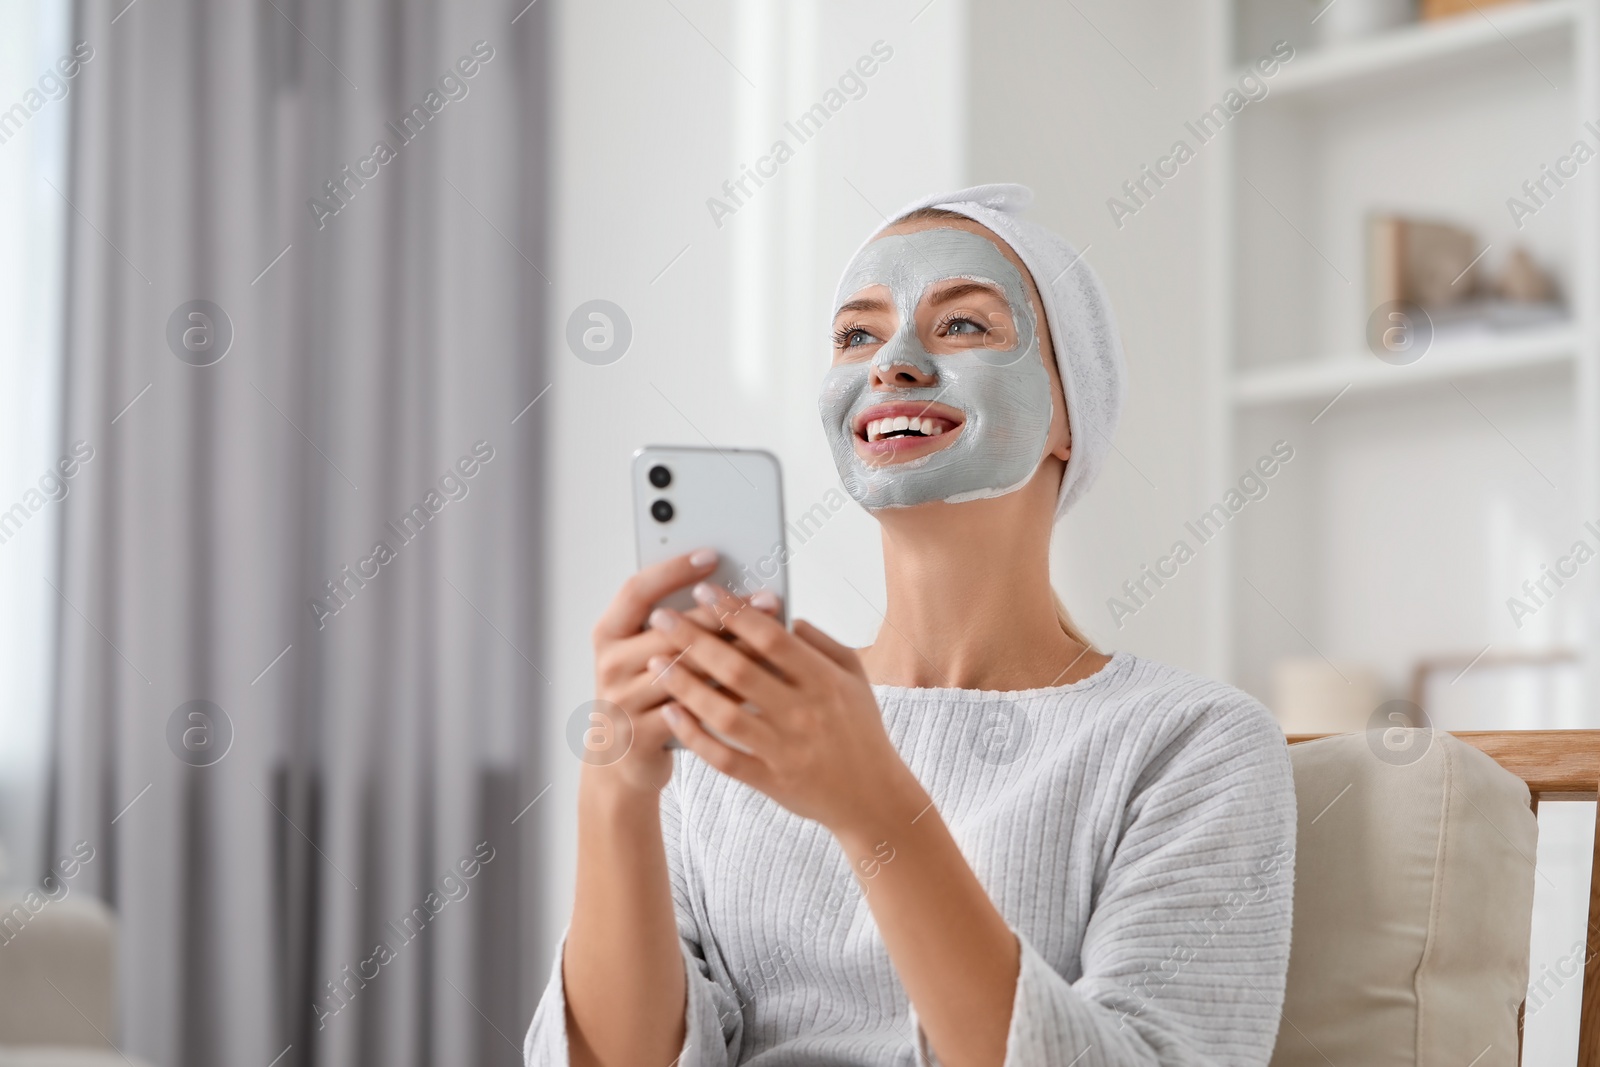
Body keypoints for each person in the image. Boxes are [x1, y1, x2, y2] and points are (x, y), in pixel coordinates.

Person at [525, 184, 1297, 1067]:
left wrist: (874, 806)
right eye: (856, 334)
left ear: (1068, 413)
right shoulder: (740, 721)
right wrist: (616, 791)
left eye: (964, 325)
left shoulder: (1192, 742)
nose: (889, 363)